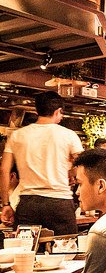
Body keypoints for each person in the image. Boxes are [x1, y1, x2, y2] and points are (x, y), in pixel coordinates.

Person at [0, 91, 83, 235]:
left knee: (26, 246)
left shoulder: (17, 135)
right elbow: (83, 165)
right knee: (66, 246)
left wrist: (6, 204)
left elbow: (4, 170)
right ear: (57, 111)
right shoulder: (69, 135)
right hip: (60, 202)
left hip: (28, 203)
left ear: (37, 111)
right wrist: (70, 173)